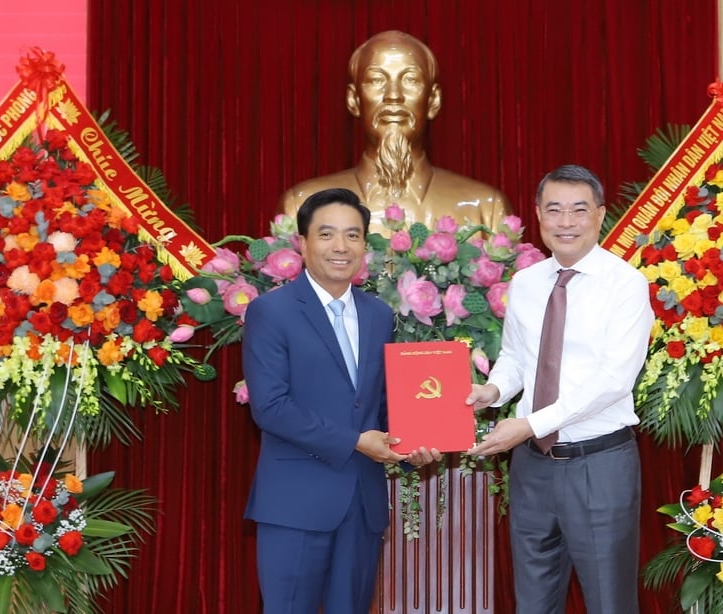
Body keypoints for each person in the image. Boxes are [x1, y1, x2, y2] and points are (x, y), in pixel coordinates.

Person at [242, 187, 442, 614]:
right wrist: (355, 441)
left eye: (352, 236)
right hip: (295, 504)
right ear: (302, 242)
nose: (340, 246)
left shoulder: (378, 315)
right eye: (327, 234)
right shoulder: (270, 312)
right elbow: (271, 408)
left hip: (362, 505)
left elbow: (383, 404)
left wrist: (413, 449)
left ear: (365, 245)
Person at [466, 165, 655, 613]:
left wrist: (528, 423)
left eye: (578, 210)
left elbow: (613, 381)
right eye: (554, 210)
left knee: (609, 601)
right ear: (538, 215)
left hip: (600, 465)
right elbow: (516, 358)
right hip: (532, 468)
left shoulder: (626, 285)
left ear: (600, 215)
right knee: (533, 601)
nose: (566, 222)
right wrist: (492, 391)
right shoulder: (527, 283)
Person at [278, 30, 511, 233]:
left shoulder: (484, 207)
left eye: (410, 80)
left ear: (433, 100)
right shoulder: (302, 205)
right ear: (354, 100)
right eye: (376, 80)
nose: (393, 96)